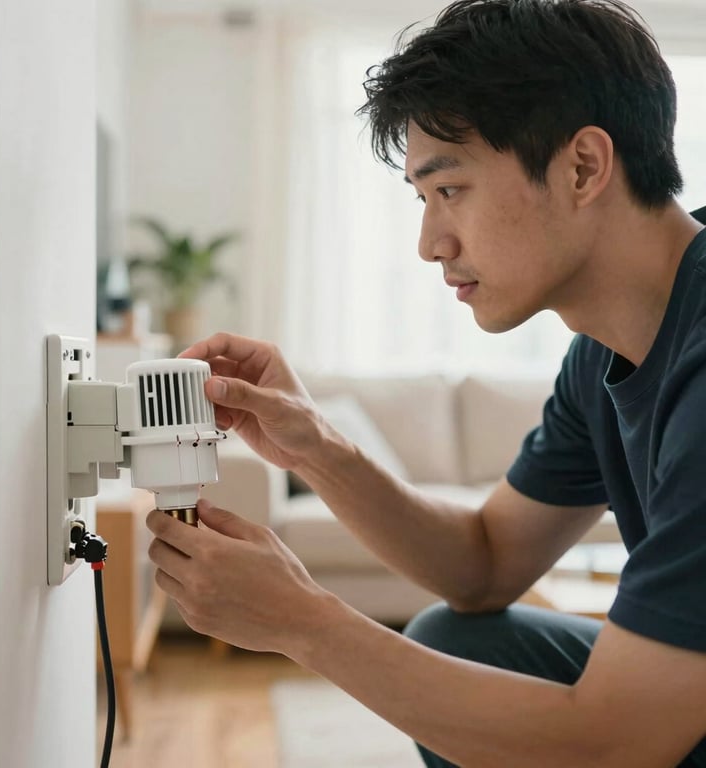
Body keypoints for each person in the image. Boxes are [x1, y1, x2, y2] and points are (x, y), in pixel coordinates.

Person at [146, 1, 706, 765]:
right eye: (422, 199)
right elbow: (481, 566)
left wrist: (305, 623)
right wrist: (314, 445)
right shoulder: (604, 350)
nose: (429, 244)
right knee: (462, 636)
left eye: (451, 191)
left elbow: (616, 742)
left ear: (582, 167)